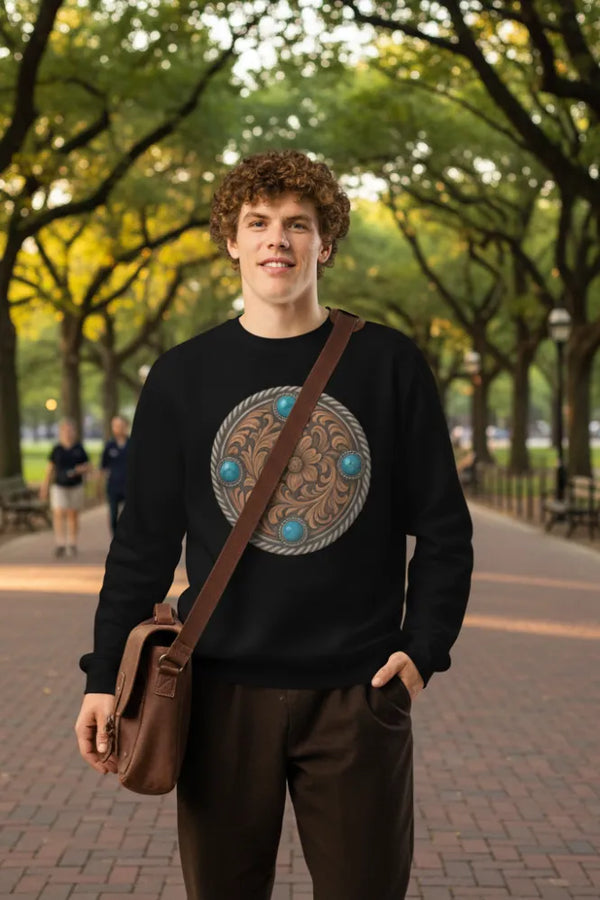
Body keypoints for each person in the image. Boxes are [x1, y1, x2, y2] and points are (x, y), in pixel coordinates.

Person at [75, 150, 473, 900]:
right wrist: (103, 675)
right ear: (232, 240)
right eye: (258, 223)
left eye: (298, 223)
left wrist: (422, 652)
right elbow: (143, 545)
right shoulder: (182, 376)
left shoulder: (389, 365)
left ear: (326, 242)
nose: (277, 240)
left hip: (357, 694)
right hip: (217, 692)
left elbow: (445, 530)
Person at [40, 417, 90, 558]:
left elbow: (88, 466)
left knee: (73, 514)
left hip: (75, 485)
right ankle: (60, 543)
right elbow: (49, 469)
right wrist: (44, 486)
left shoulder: (79, 449)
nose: (68, 433)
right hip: (59, 486)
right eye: (65, 430)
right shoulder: (57, 449)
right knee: (58, 512)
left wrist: (82, 469)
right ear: (61, 432)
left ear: (74, 432)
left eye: (70, 430)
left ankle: (72, 543)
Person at [100, 415, 130, 536]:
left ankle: (128, 538)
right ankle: (116, 538)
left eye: (121, 425)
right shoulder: (109, 446)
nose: (119, 428)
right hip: (113, 487)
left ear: (126, 426)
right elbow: (103, 467)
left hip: (130, 486)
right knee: (113, 514)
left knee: (129, 515)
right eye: (116, 426)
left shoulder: (134, 444)